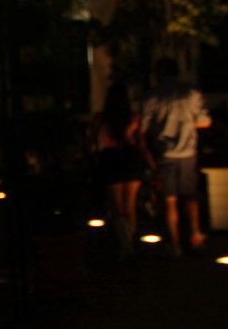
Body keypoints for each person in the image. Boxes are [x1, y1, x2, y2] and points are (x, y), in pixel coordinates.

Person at [141, 57, 211, 255]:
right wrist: (186, 123)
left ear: (159, 73)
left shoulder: (152, 96)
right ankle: (195, 235)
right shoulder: (191, 92)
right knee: (190, 196)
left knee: (169, 199)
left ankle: (175, 243)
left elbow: (145, 128)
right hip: (188, 151)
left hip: (165, 153)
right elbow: (205, 121)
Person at [89, 80, 150, 258]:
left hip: (110, 160)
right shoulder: (133, 117)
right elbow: (141, 144)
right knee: (131, 205)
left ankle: (125, 245)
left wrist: (95, 159)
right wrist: (151, 165)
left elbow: (92, 143)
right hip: (131, 158)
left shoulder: (100, 118)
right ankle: (129, 242)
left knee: (117, 207)